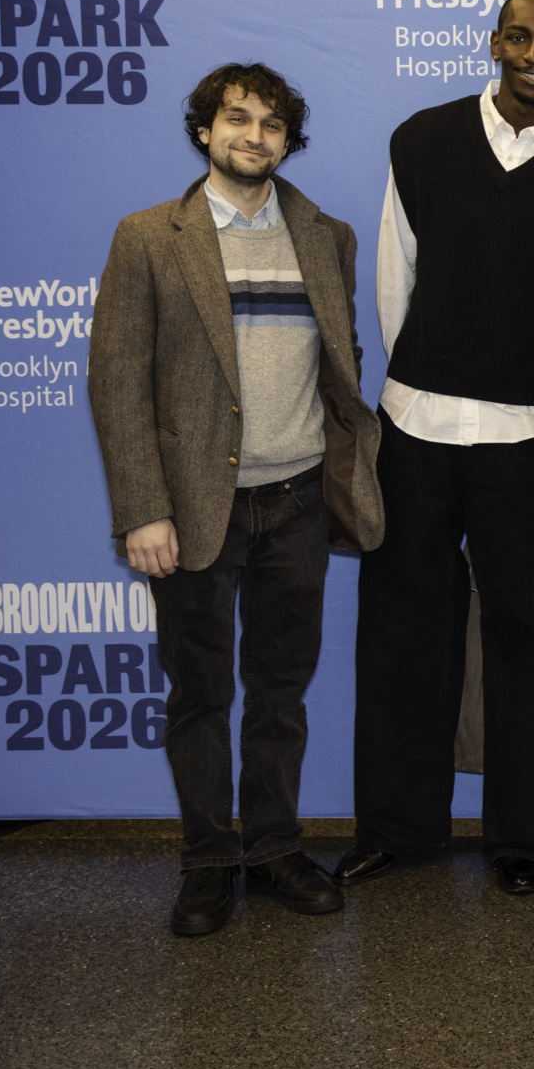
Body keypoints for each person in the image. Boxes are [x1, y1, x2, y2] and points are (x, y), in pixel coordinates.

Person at [89, 62, 384, 935]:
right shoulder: (148, 236)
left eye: (272, 126)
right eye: (237, 120)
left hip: (295, 500)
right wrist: (143, 507)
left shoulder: (324, 235)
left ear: (289, 141)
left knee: (280, 690)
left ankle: (273, 846)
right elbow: (117, 383)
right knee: (201, 693)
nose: (253, 137)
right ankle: (210, 857)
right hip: (191, 508)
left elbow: (343, 363)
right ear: (205, 130)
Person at [339, 0, 534, 898]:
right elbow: (394, 279)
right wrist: (420, 382)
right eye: (520, 37)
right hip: (415, 425)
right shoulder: (420, 139)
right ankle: (398, 829)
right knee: (401, 634)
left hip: (529, 439)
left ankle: (525, 837)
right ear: (495, 42)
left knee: (529, 639)